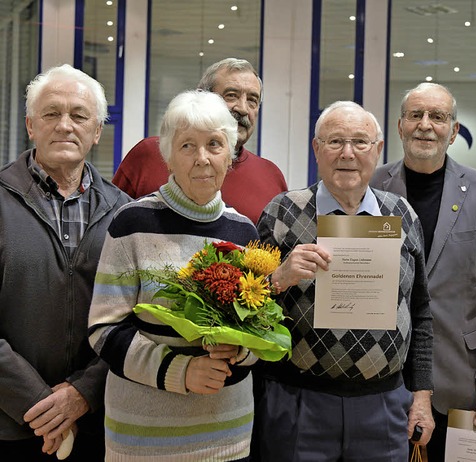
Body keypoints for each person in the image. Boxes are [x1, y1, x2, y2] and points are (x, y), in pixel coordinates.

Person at [255, 101, 435, 461]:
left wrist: (422, 395)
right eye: (335, 141)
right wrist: (279, 278)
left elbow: (421, 312)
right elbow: (245, 310)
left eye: (360, 142)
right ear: (316, 148)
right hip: (298, 402)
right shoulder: (283, 211)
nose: (348, 154)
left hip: (384, 405)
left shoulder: (401, 214)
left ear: (379, 150)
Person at [88, 89, 260, 461]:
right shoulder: (131, 223)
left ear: (230, 155)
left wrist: (240, 350)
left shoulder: (244, 233)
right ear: (168, 155)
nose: (202, 159)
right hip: (143, 437)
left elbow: (259, 333)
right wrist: (180, 371)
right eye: (187, 146)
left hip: (226, 435)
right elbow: (104, 330)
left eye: (215, 144)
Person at [370, 82, 476, 461]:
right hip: (384, 375)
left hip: (463, 379)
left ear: (454, 130)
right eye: (415, 115)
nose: (425, 125)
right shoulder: (370, 187)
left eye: (438, 117)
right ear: (400, 126)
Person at [0, 64, 131, 460]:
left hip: (97, 425)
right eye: (51, 113)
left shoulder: (124, 214)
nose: (64, 126)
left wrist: (83, 394)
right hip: (10, 428)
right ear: (30, 126)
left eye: (78, 115)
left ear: (96, 132)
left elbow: (134, 319)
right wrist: (42, 405)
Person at [112, 57, 287, 224]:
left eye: (252, 100)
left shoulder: (271, 177)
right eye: (231, 95)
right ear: (202, 97)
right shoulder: (149, 154)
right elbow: (108, 229)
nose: (242, 108)